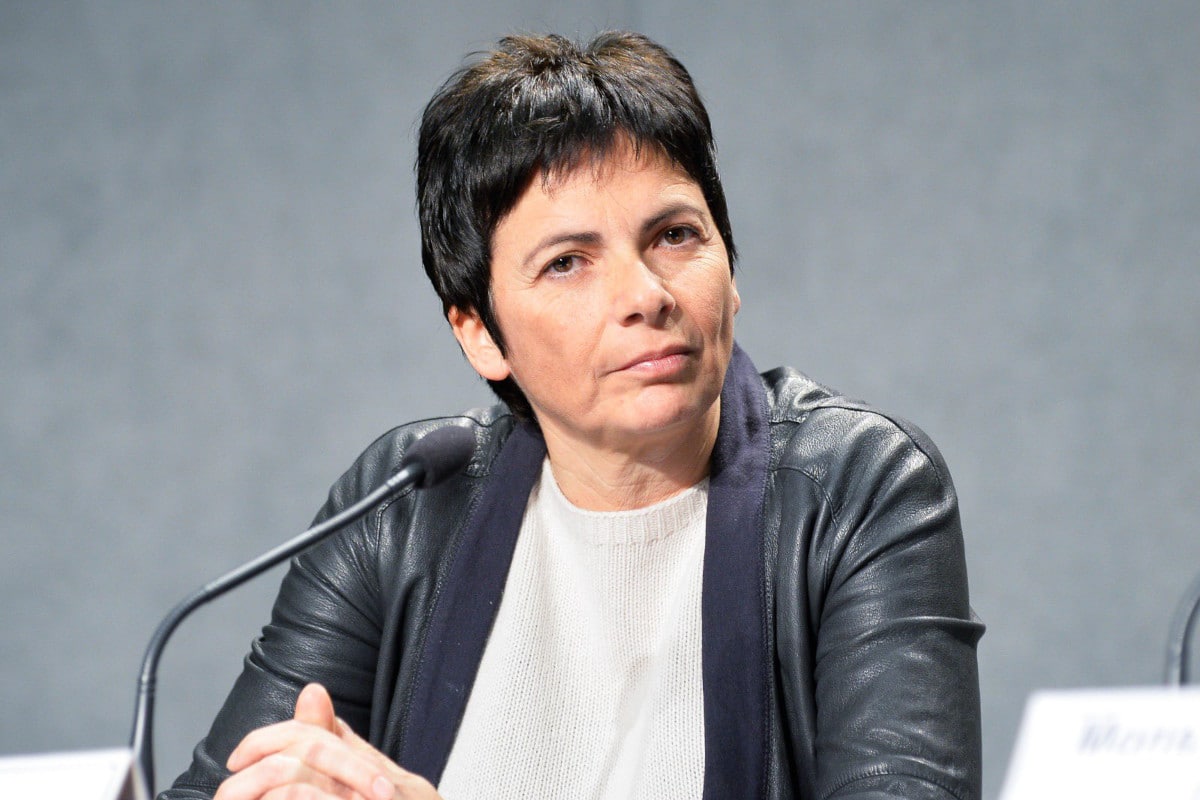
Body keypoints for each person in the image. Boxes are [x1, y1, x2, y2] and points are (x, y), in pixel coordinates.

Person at [162, 31, 983, 800]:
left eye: (675, 235)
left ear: (730, 272)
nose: (646, 295)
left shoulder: (856, 487)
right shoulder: (405, 505)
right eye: (567, 263)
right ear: (480, 334)